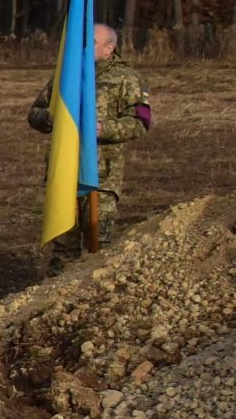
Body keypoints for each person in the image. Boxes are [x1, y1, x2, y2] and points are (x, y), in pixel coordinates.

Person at [28, 21, 151, 274]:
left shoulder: (126, 79)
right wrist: (52, 118)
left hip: (101, 175)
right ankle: (57, 291)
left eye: (92, 42)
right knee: (63, 245)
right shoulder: (67, 75)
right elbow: (35, 113)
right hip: (65, 171)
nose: (84, 46)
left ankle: (95, 290)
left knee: (99, 244)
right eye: (83, 41)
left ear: (109, 48)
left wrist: (104, 128)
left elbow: (140, 122)